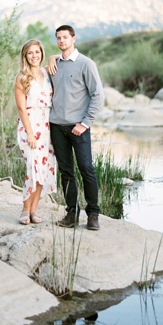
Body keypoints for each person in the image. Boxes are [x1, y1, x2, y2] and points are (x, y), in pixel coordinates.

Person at [47, 24, 105, 231]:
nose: (62, 41)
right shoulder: (54, 65)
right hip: (57, 126)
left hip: (78, 127)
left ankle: (93, 214)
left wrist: (85, 123)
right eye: (58, 38)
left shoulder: (86, 64)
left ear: (74, 39)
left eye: (65, 37)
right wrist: (52, 58)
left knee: (86, 169)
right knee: (66, 172)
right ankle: (72, 213)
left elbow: (98, 95)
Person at [14, 39, 58, 225]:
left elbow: (59, 57)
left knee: (44, 169)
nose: (34, 56)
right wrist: (30, 133)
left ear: (41, 54)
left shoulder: (46, 73)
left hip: (47, 125)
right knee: (32, 168)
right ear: (25, 56)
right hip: (29, 126)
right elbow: (21, 108)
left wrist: (53, 58)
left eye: (37, 52)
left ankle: (34, 211)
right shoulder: (21, 77)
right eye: (30, 53)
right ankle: (25, 209)